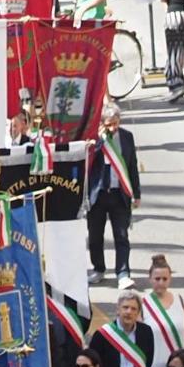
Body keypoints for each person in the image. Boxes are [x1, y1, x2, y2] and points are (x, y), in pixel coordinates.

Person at [80, 99, 140, 284]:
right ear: (101, 124)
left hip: (119, 193)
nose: (113, 128)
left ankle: (123, 273)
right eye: (109, 125)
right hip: (98, 194)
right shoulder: (94, 139)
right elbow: (87, 161)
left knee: (121, 235)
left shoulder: (127, 137)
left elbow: (132, 167)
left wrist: (136, 194)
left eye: (116, 123)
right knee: (95, 236)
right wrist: (98, 141)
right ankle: (98, 268)